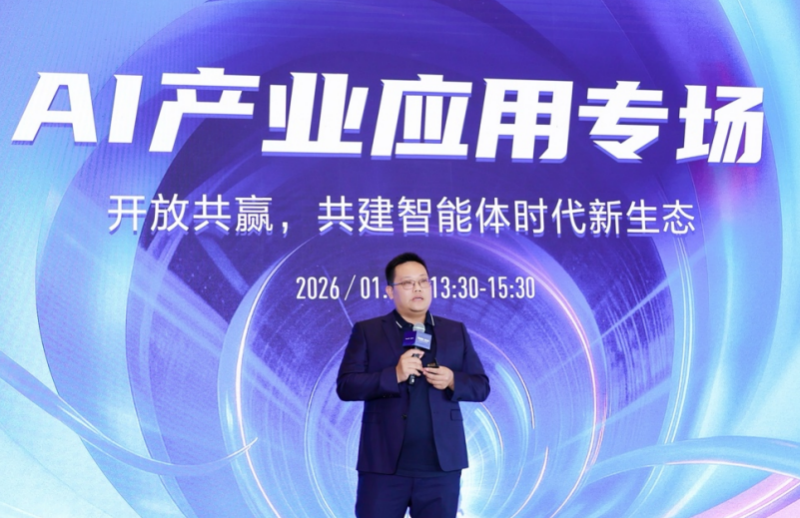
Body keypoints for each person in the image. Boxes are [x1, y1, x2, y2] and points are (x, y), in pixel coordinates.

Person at [337, 252, 490, 518]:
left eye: (423, 281)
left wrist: (452, 380)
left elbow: (481, 386)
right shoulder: (368, 331)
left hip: (441, 468)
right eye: (407, 283)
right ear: (390, 291)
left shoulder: (455, 331)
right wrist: (394, 374)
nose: (417, 288)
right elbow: (346, 386)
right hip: (383, 467)